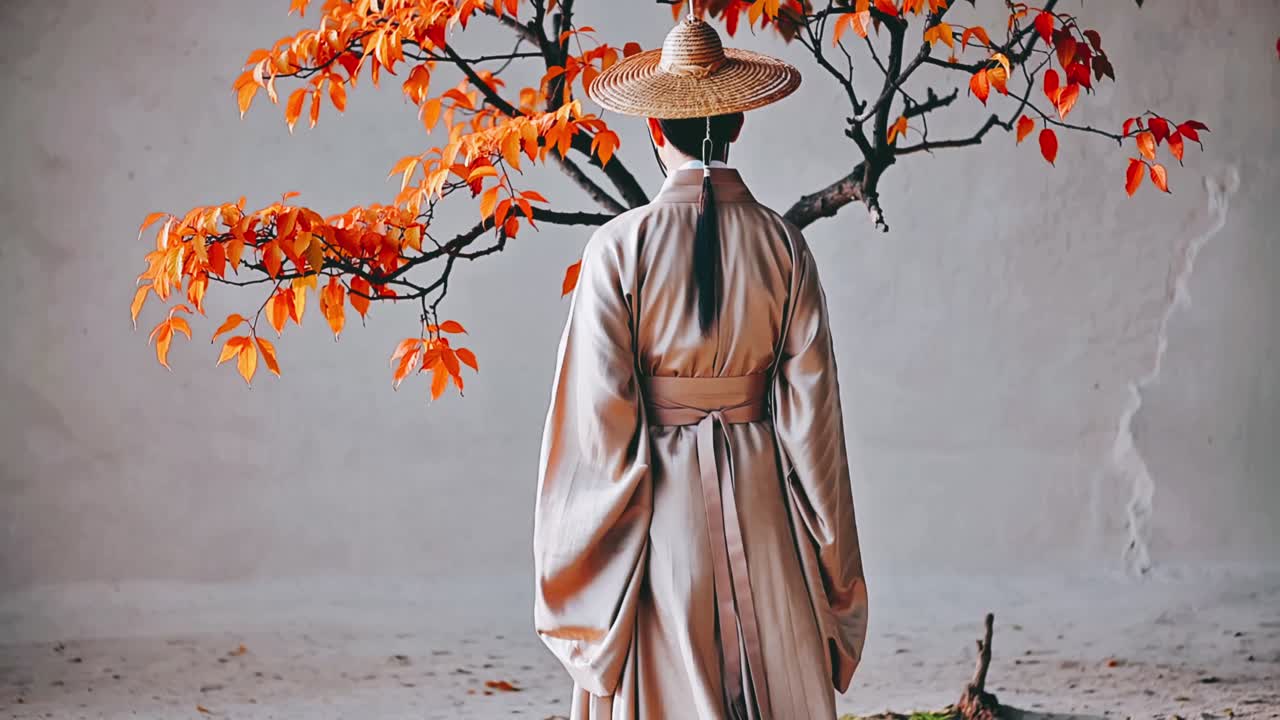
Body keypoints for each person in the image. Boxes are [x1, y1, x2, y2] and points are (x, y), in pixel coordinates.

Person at [532, 9, 868, 719]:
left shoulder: (616, 249)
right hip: (761, 500)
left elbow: (593, 426)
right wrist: (834, 581)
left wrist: (591, 568)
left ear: (654, 129)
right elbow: (816, 431)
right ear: (740, 122)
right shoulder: (785, 246)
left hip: (660, 516)